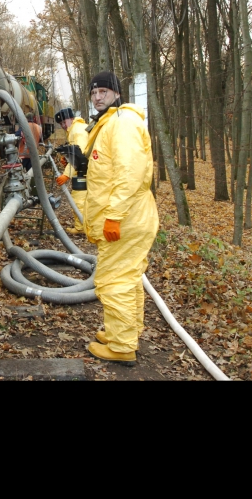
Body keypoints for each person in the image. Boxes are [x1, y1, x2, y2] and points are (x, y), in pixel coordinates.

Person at [83, 71, 159, 367]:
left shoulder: (123, 123)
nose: (98, 96)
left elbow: (130, 174)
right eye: (93, 92)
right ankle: (125, 332)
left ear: (116, 93)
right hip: (129, 217)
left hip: (125, 219)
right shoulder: (111, 123)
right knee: (127, 278)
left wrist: (113, 217)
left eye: (103, 90)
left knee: (114, 281)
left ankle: (122, 346)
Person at [54, 107, 88, 235]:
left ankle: (80, 228)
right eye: (61, 123)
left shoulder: (77, 131)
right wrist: (67, 159)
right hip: (85, 168)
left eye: (64, 122)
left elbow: (79, 155)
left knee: (79, 199)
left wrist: (66, 175)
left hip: (85, 170)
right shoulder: (74, 129)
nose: (63, 125)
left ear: (71, 119)